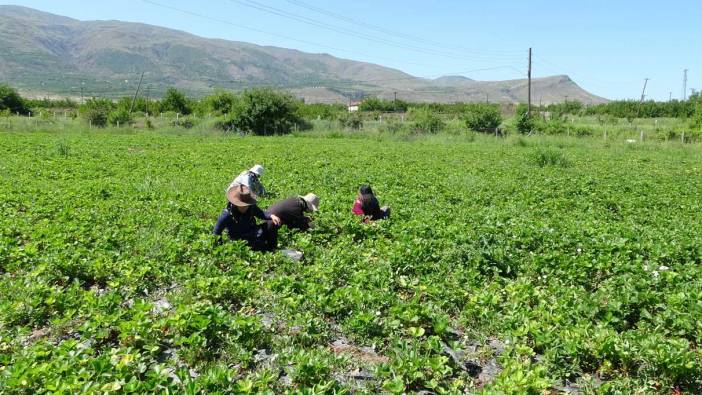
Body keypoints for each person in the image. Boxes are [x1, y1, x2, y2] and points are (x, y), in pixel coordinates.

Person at [213, 184, 282, 251]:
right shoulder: (227, 214)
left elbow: (261, 214)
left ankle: (272, 247)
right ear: (235, 203)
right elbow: (217, 231)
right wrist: (220, 248)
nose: (244, 207)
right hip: (239, 241)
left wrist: (271, 216)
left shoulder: (251, 207)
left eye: (246, 205)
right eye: (242, 205)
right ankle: (267, 248)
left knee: (271, 223)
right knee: (259, 245)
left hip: (253, 233)